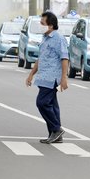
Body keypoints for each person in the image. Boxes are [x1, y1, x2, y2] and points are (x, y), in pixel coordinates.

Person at [26, 11, 69, 144]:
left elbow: (64, 58)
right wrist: (31, 74)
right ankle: (55, 134)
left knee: (42, 103)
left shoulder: (58, 38)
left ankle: (56, 129)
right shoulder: (45, 38)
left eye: (42, 23)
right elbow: (41, 58)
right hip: (43, 76)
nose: (40, 25)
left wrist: (64, 77)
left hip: (51, 78)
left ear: (50, 25)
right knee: (52, 105)